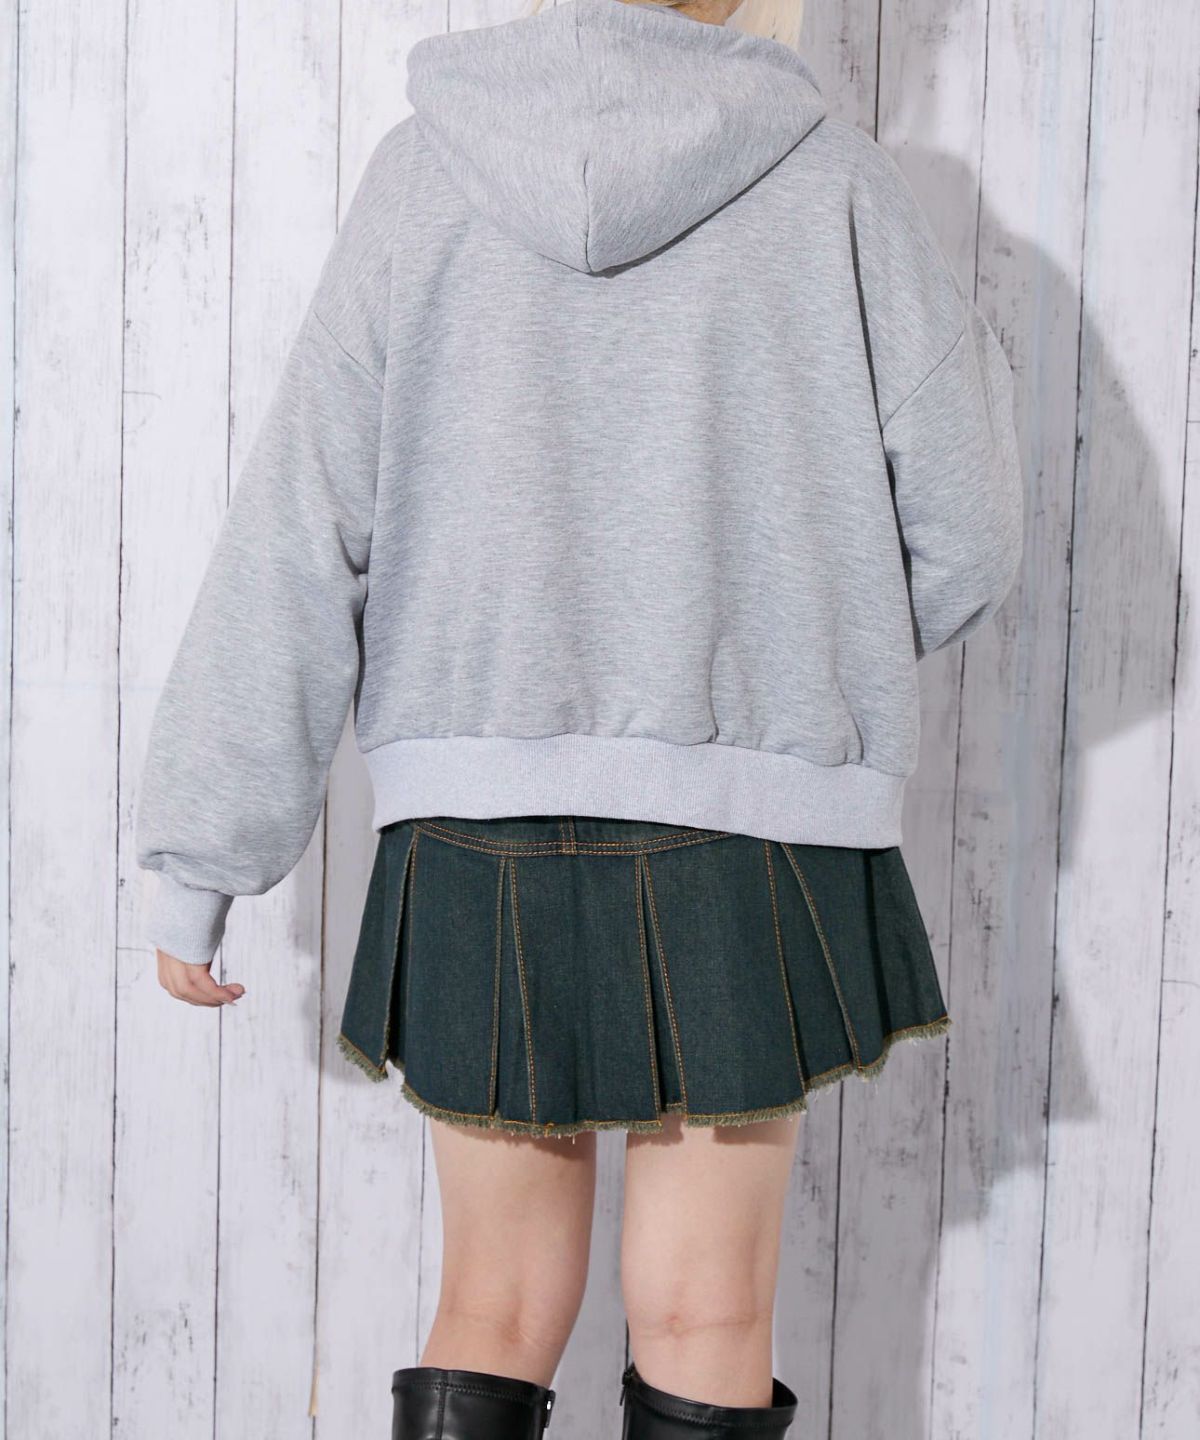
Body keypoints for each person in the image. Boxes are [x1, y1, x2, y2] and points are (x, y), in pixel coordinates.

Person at [135, 0, 1024, 1434]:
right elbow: (970, 531)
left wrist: (202, 858)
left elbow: (303, 528)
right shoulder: (837, 182)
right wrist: (797, 651)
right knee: (708, 1310)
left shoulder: (424, 174)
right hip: (753, 834)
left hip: (475, 826)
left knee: (491, 1300)